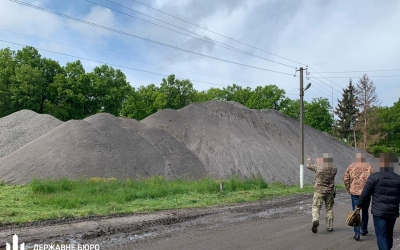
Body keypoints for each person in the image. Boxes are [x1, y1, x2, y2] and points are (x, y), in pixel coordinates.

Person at [357, 153, 400, 250]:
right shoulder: (398, 178)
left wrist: (359, 204)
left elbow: (365, 193)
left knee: (381, 235)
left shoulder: (374, 177)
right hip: (393, 212)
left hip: (379, 211)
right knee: (389, 234)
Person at [344, 152, 374, 240]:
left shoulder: (351, 166)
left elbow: (346, 179)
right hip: (366, 194)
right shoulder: (369, 167)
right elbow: (373, 180)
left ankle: (357, 233)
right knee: (365, 212)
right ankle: (364, 230)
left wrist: (349, 189)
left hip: (355, 193)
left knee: (356, 212)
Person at [306, 153, 337, 233]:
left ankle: (315, 219)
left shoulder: (318, 166)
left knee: (316, 207)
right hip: (329, 191)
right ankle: (330, 226)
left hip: (319, 191)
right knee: (329, 208)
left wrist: (308, 160)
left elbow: (308, 166)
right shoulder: (334, 168)